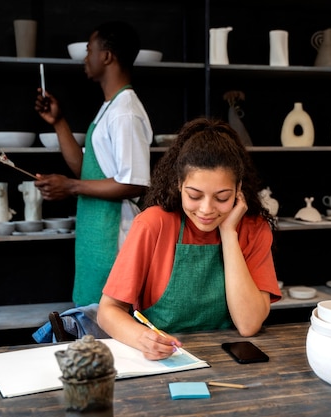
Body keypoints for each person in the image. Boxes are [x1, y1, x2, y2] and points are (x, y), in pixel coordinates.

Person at [97, 118, 282, 360]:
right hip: (165, 359)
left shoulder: (254, 229)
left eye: (222, 197)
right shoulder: (154, 224)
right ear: (179, 185)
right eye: (194, 195)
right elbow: (107, 311)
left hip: (230, 360)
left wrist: (229, 233)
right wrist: (143, 339)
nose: (206, 209)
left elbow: (248, 325)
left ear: (239, 190)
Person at [33, 21, 153, 308]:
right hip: (96, 232)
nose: (86, 58)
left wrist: (71, 187)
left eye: (90, 50)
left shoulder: (125, 112)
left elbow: (134, 182)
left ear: (108, 56)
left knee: (110, 317)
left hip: (113, 235)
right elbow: (86, 170)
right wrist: (59, 122)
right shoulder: (111, 106)